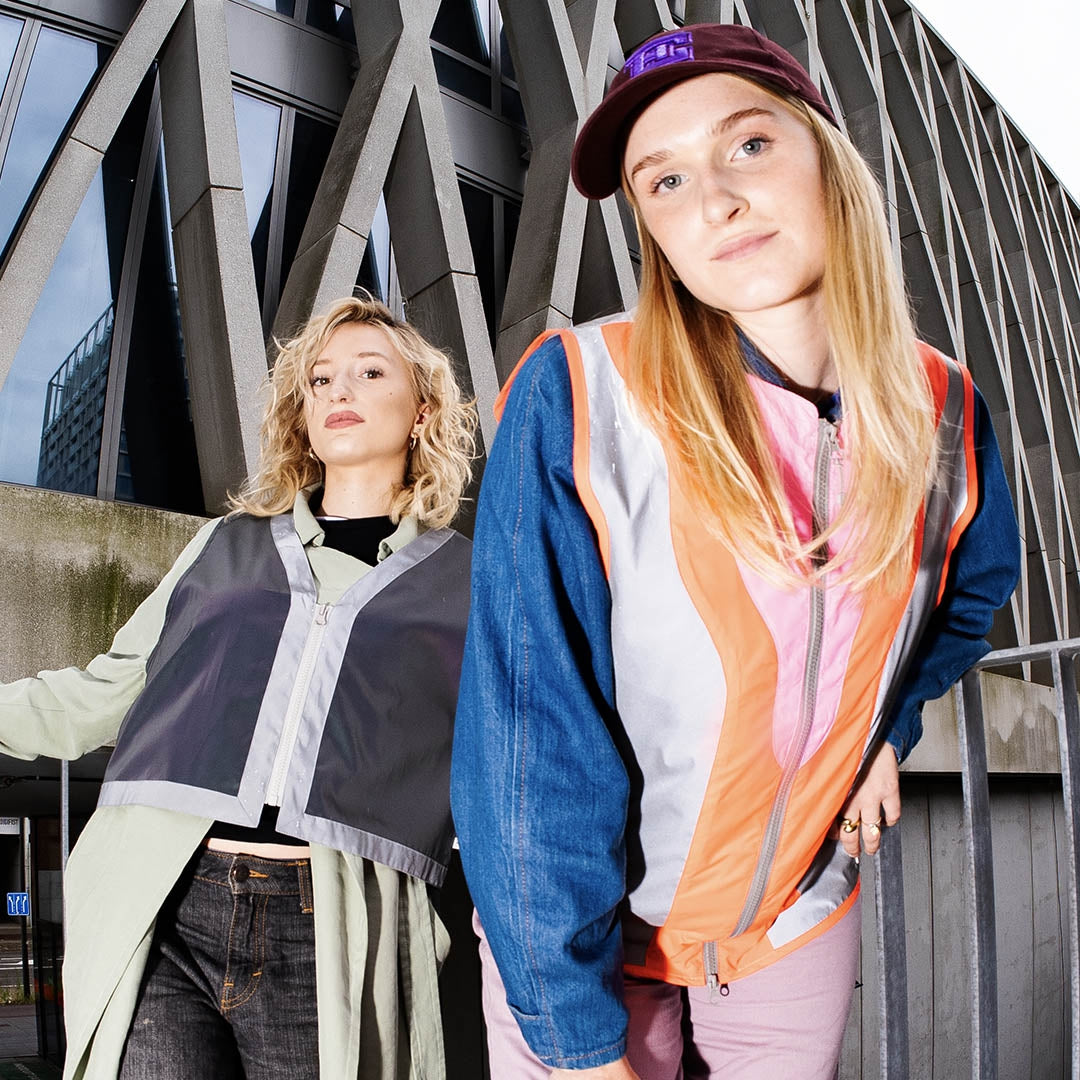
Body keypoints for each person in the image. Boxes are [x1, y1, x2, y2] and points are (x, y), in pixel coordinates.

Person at [451, 23, 1020, 1080]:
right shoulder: (581, 391)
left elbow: (974, 590)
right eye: (662, 181)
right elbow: (529, 738)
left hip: (791, 922)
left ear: (824, 156)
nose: (711, 201)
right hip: (589, 954)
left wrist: (888, 730)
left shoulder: (945, 406)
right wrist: (575, 1040)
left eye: (747, 146)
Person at [0, 295, 476, 1080]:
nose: (338, 393)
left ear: (422, 410)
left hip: (330, 921)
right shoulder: (227, 545)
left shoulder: (467, 581)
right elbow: (106, 691)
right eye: (320, 381)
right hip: (167, 900)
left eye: (367, 372)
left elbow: (503, 764)